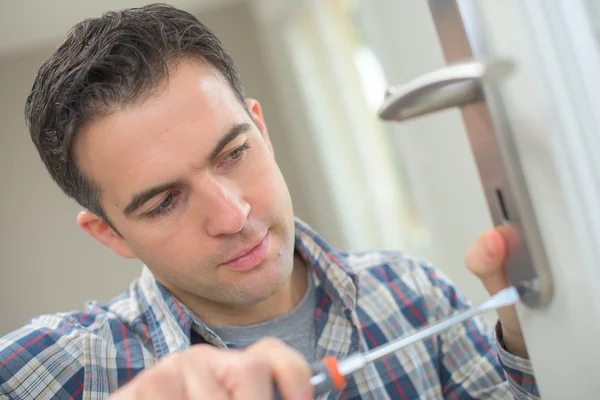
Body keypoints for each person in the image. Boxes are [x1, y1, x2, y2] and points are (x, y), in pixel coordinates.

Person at [0, 4, 538, 399]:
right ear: (109, 233)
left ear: (260, 128)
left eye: (233, 153)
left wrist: (530, 338)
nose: (233, 216)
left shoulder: (413, 296)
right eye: (164, 202)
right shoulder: (54, 371)